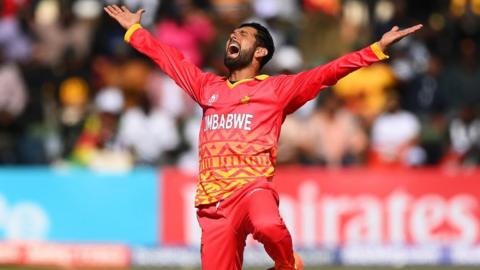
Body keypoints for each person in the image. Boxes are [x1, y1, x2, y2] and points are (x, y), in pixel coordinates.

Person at [104, 4, 422, 270]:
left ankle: (287, 264)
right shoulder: (207, 87)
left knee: (269, 225)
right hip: (214, 205)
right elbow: (171, 61)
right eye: (232, 33)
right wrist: (136, 31)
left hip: (252, 187)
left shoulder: (277, 90)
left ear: (260, 51)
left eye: (242, 35)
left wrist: (376, 50)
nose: (233, 35)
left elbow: (328, 72)